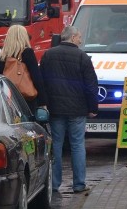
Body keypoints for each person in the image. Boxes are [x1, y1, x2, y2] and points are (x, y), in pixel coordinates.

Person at [40, 26, 99, 193]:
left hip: (55, 109)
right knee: (78, 145)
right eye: (79, 37)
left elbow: (42, 82)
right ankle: (79, 184)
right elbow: (91, 85)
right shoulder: (82, 57)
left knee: (56, 146)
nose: (80, 40)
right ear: (72, 38)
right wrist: (93, 107)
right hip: (78, 110)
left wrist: (45, 104)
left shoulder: (48, 55)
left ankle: (54, 184)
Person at [0, 24, 46, 114]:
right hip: (26, 99)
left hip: (8, 98)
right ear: (23, 37)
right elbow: (36, 78)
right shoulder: (27, 52)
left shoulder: (2, 55)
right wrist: (43, 102)